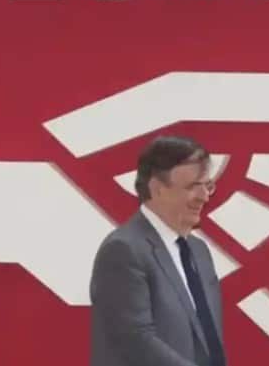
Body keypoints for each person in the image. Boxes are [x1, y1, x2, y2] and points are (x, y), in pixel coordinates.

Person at [89, 135, 226, 366]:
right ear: (157, 189)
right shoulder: (123, 250)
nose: (204, 197)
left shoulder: (199, 251)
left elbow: (208, 342)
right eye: (193, 186)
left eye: (207, 185)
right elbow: (135, 342)